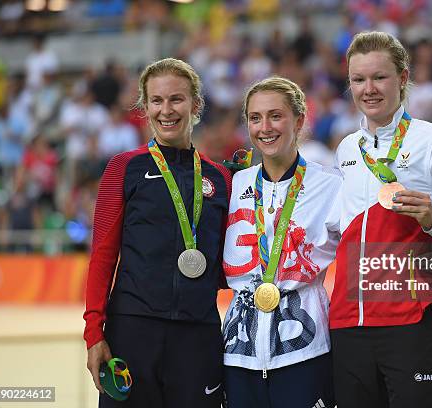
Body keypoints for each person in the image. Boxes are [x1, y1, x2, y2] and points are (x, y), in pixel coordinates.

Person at [329, 31, 432, 407]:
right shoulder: (346, 148)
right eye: (358, 79)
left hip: (412, 321)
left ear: (402, 79)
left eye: (379, 77)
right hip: (350, 322)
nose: (368, 89)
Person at [83, 58, 230, 408]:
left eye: (176, 99)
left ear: (196, 105)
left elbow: (228, 265)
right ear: (145, 107)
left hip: (198, 334)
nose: (166, 110)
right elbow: (103, 255)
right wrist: (93, 333)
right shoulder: (124, 167)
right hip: (133, 331)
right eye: (157, 101)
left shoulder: (221, 179)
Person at [221, 76, 341, 408]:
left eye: (276, 116)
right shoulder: (232, 185)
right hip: (238, 354)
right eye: (255, 118)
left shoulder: (331, 185)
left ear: (299, 120)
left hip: (306, 351)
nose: (265, 127)